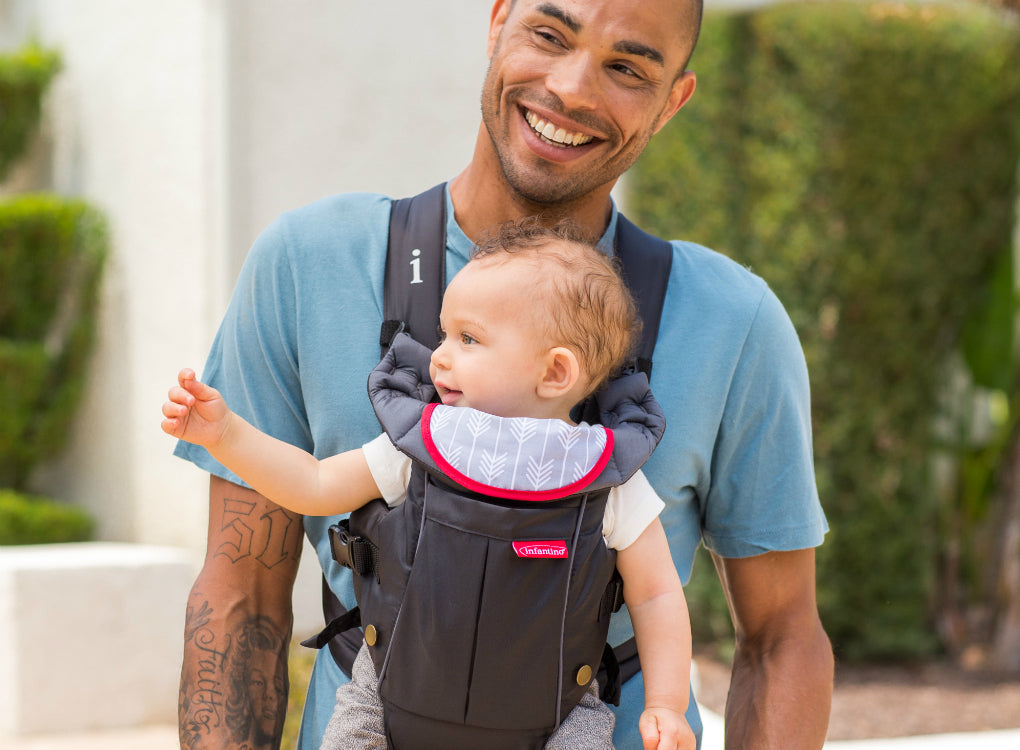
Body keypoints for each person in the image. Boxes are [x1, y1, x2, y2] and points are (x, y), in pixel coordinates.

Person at [173, 1, 834, 749]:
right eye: (549, 34)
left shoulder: (733, 322)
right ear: (497, 23)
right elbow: (241, 597)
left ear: (673, 99)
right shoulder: (308, 263)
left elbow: (782, 637)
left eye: (626, 67)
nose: (574, 87)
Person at [165, 222, 695, 749]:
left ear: (556, 373)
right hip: (391, 693)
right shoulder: (423, 444)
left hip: (557, 714)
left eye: (468, 338)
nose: (438, 355)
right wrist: (226, 435)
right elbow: (314, 483)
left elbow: (657, 595)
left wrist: (666, 704)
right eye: (444, 333)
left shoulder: (603, 477)